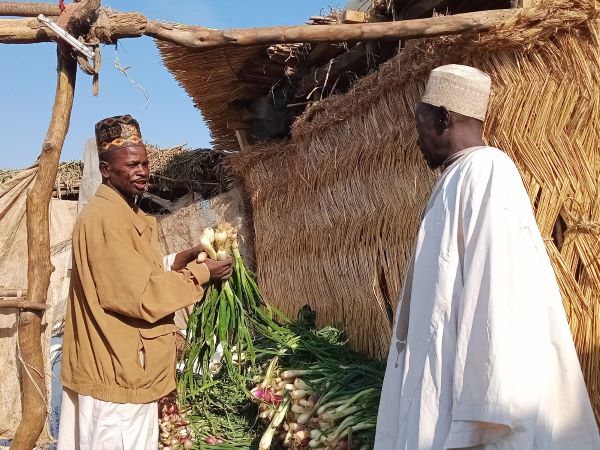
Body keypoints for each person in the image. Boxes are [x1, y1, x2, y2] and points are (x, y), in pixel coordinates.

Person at [374, 65, 600, 449]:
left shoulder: (488, 172)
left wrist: (481, 414)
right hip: (447, 384)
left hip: (475, 404)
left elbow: (495, 291)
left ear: (444, 117)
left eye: (421, 124)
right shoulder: (458, 176)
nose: (417, 138)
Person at [57, 115, 232, 450]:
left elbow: (122, 276)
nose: (142, 171)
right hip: (117, 369)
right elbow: (140, 296)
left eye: (145, 163)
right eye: (132, 165)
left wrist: (176, 261)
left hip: (117, 364)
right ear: (106, 170)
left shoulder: (125, 213)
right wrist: (200, 273)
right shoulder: (107, 220)